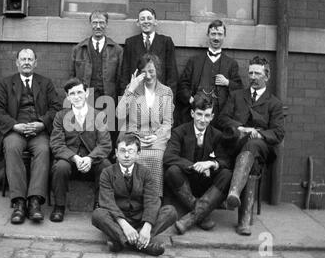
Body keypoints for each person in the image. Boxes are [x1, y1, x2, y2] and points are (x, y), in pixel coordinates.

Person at [0, 48, 62, 224]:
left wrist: (41, 123)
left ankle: (35, 201)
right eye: (23, 59)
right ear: (17, 62)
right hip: (16, 131)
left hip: (38, 132)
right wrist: (15, 125)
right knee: (12, 147)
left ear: (35, 63)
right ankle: (19, 203)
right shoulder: (6, 84)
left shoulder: (46, 83)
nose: (27, 62)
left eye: (30, 59)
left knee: (44, 150)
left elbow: (56, 108)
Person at [217, 56, 285, 235]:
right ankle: (243, 223)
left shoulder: (274, 103)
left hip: (262, 148)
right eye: (250, 73)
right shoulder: (237, 95)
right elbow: (222, 118)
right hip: (236, 146)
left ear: (267, 76)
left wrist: (259, 133)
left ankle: (234, 191)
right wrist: (240, 128)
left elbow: (278, 133)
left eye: (257, 73)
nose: (253, 77)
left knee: (253, 145)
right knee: (251, 163)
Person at [92, 133, 177, 256]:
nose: (126, 155)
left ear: (138, 154)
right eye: (122, 151)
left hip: (141, 218)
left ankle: (122, 241)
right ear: (116, 153)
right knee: (97, 214)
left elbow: (152, 200)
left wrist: (147, 227)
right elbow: (107, 202)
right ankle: (143, 245)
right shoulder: (107, 173)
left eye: (131, 151)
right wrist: (124, 225)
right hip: (118, 220)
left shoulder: (145, 173)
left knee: (170, 212)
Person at [163, 92, 234, 234]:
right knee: (172, 171)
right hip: (186, 183)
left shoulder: (217, 135)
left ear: (212, 117)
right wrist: (194, 166)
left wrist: (211, 164)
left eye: (207, 116)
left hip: (207, 186)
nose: (202, 119)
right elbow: (168, 156)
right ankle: (202, 214)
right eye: (199, 114)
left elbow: (225, 160)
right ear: (192, 114)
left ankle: (190, 218)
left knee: (226, 174)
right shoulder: (179, 132)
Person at [50, 78, 112, 222]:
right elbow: (56, 143)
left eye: (79, 92)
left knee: (106, 166)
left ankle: (100, 206)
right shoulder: (61, 116)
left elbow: (105, 144)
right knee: (60, 167)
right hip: (70, 159)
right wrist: (74, 158)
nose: (76, 97)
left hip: (92, 159)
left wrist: (90, 158)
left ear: (86, 94)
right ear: (67, 97)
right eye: (72, 94)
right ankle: (59, 206)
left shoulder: (98, 115)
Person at [116, 53, 174, 198]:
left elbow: (167, 123)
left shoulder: (166, 91)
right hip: (134, 136)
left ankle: (154, 199)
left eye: (151, 71)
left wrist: (156, 136)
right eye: (143, 72)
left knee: (157, 158)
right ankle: (132, 197)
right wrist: (131, 89)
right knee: (132, 156)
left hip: (156, 139)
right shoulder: (133, 89)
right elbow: (119, 114)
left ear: (157, 71)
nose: (148, 75)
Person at [176, 19, 242, 126]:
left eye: (220, 34)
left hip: (220, 116)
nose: (216, 38)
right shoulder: (194, 61)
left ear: (224, 36)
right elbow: (182, 85)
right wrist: (190, 99)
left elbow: (239, 89)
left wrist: (227, 82)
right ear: (208, 35)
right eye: (213, 34)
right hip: (196, 113)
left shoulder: (231, 64)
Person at [120, 7, 178, 97]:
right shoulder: (130, 43)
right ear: (138, 23)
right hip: (137, 96)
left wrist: (168, 99)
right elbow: (124, 73)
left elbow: (172, 74)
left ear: (155, 21)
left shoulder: (166, 42)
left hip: (159, 96)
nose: (146, 21)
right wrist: (126, 97)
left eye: (149, 18)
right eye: (142, 19)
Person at [70, 10, 123, 104]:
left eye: (101, 22)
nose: (98, 26)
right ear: (90, 24)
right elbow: (72, 77)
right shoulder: (78, 49)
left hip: (108, 99)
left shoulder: (117, 50)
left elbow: (120, 79)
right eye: (95, 23)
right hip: (85, 98)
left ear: (106, 24)